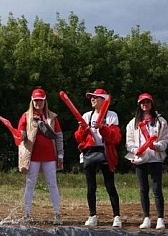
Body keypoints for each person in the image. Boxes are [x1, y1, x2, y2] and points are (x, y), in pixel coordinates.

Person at [74, 88, 122, 227]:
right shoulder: (87, 115)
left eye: (96, 97)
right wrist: (82, 129)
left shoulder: (111, 115)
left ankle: (116, 216)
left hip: (105, 152)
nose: (92, 99)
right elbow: (78, 138)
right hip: (90, 152)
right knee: (91, 186)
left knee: (110, 185)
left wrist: (102, 127)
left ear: (104, 100)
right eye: (91, 97)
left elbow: (115, 137)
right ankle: (92, 215)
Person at [17, 88, 63, 224]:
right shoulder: (26, 116)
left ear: (45, 101)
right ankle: (26, 214)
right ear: (32, 101)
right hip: (33, 156)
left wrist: (60, 154)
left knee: (52, 184)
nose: (38, 103)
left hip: (49, 155)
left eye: (41, 100)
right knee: (30, 184)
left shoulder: (52, 117)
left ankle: (57, 214)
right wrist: (22, 135)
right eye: (36, 100)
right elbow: (19, 134)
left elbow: (59, 137)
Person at [125, 93, 168, 229]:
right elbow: (129, 141)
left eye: (147, 102)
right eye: (142, 102)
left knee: (157, 188)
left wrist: (155, 146)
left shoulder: (161, 122)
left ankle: (160, 218)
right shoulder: (133, 123)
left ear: (152, 103)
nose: (145, 104)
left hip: (155, 158)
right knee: (143, 189)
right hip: (140, 159)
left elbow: (164, 141)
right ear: (139, 104)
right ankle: (146, 217)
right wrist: (135, 149)